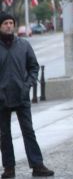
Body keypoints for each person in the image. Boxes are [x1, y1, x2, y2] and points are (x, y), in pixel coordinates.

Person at [0, 12, 54, 178]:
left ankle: (37, 165)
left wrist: (27, 85)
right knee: (4, 134)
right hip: (1, 98)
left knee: (28, 131)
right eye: (5, 23)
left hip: (21, 95)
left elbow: (33, 67)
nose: (9, 26)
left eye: (11, 23)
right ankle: (9, 168)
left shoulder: (23, 45)